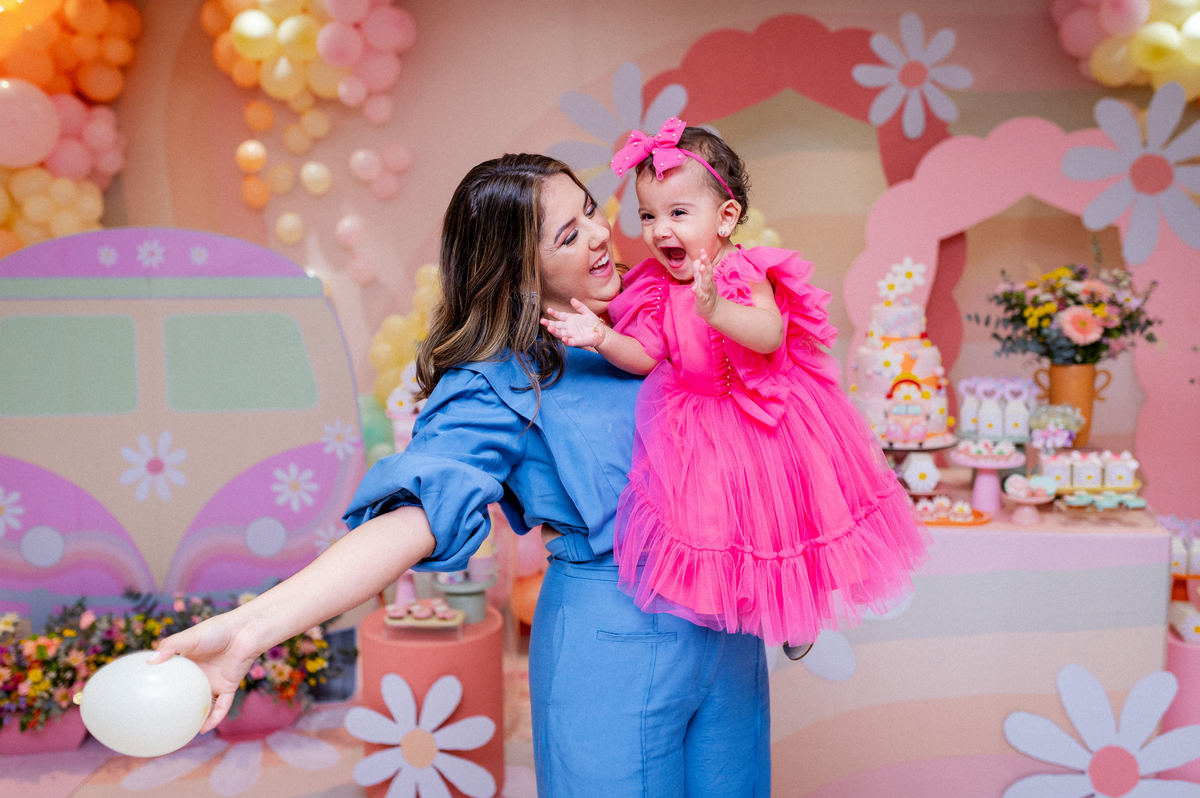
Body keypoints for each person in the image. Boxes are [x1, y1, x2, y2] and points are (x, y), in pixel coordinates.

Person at [153, 153, 770, 797]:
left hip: (728, 629)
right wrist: (252, 629)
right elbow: (416, 513)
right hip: (616, 642)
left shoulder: (664, 304)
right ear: (519, 273)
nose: (599, 234)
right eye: (568, 235)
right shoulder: (501, 377)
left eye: (591, 210)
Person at [542, 118, 927, 655]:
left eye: (678, 213)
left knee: (787, 519)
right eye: (648, 216)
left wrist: (716, 309)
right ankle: (736, 607)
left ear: (725, 217)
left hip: (764, 415)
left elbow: (769, 334)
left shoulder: (743, 271)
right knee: (720, 528)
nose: (660, 230)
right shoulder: (657, 289)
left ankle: (797, 614)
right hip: (697, 420)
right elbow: (646, 356)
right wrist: (603, 338)